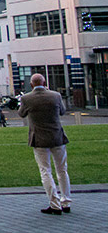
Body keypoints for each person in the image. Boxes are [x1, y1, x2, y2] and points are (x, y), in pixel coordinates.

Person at [19, 73, 71, 215]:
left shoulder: (27, 98)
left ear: (31, 85)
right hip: (57, 137)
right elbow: (62, 111)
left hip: (39, 139)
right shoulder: (55, 96)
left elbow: (21, 114)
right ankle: (65, 201)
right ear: (45, 82)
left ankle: (54, 203)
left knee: (45, 171)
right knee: (62, 170)